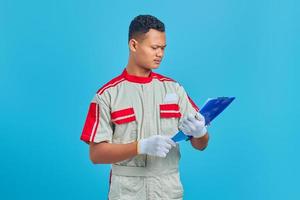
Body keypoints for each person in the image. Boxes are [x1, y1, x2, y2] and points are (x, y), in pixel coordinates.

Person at [80, 14, 209, 200]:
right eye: (154, 48)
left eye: (163, 48)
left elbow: (201, 145)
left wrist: (200, 133)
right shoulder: (107, 95)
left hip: (168, 191)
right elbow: (96, 154)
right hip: (127, 193)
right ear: (133, 45)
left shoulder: (174, 89)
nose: (160, 54)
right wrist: (140, 146)